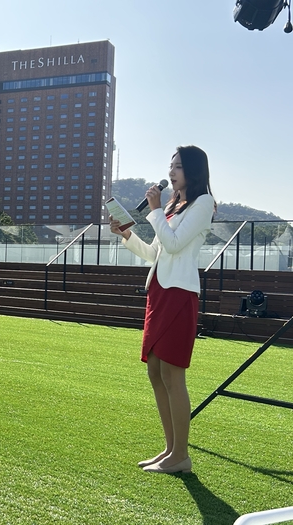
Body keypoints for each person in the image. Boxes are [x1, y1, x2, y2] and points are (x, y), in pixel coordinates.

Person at [109, 145, 215, 474]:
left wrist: (154, 211)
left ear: (194, 171)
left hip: (180, 293)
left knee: (173, 375)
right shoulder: (172, 205)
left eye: (179, 167)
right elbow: (155, 252)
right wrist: (127, 234)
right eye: (171, 166)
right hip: (158, 291)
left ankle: (181, 455)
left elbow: (174, 244)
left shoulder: (204, 203)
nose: (172, 172)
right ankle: (170, 450)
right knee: (155, 372)